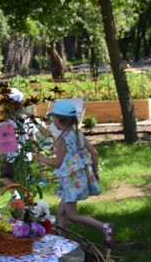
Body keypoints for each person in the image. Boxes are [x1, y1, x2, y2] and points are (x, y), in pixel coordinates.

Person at [35, 100, 113, 246]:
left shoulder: (63, 139)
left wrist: (41, 158)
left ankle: (104, 227)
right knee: (62, 211)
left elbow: (57, 163)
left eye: (53, 119)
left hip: (70, 181)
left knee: (72, 215)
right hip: (79, 178)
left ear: (58, 119)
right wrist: (95, 173)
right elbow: (94, 154)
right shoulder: (77, 134)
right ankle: (61, 239)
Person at [0, 87, 40, 187]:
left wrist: (3, 157)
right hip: (25, 156)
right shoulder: (26, 119)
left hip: (11, 157)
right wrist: (34, 151)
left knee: (5, 176)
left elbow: (3, 142)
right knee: (23, 175)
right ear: (21, 105)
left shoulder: (5, 122)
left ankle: (15, 193)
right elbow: (32, 137)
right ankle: (25, 185)